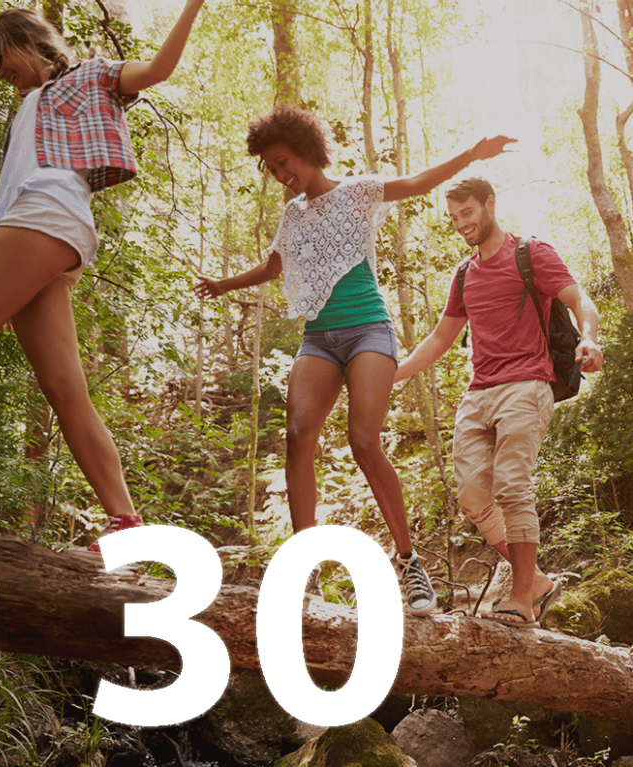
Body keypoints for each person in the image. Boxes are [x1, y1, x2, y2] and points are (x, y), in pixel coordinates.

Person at [0, 0, 204, 560]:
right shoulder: (29, 104)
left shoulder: (88, 76)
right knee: (64, 388)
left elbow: (158, 69)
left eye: (0, 56)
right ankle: (127, 525)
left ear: (25, 42)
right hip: (45, 229)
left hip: (45, 215)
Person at [195, 105, 514, 616]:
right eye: (272, 168)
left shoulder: (358, 192)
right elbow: (272, 267)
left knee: (363, 440)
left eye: (283, 162)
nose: (279, 174)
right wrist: (223, 284)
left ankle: (409, 563)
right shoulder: (292, 215)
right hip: (319, 338)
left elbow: (418, 182)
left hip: (368, 329)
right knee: (298, 433)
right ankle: (305, 568)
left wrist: (472, 154)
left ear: (306, 151)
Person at [394, 176, 603, 627]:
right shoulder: (464, 274)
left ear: (489, 204)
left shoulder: (530, 253)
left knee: (512, 486)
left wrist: (589, 337)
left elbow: (578, 298)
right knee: (473, 496)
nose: (460, 223)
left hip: (527, 384)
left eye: (467, 212)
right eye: (453, 217)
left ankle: (521, 598)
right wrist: (390, 374)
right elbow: (440, 338)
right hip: (479, 392)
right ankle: (539, 582)